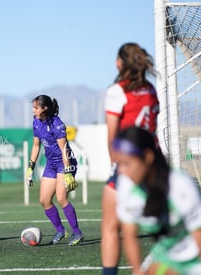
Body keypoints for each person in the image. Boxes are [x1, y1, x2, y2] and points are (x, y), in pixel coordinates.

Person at [101, 42, 159, 274]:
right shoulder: (151, 89)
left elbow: (112, 136)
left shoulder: (117, 91)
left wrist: (115, 165)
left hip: (130, 165)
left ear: (119, 63)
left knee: (111, 226)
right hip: (154, 162)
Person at [113, 127, 201, 275]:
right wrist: (137, 271)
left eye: (127, 163)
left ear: (147, 157)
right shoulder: (126, 185)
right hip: (166, 255)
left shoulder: (180, 186)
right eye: (119, 163)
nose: (121, 171)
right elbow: (129, 235)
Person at [26, 95, 83, 246]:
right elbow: (36, 145)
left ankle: (77, 232)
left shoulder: (57, 124)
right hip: (51, 164)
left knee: (61, 198)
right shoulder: (36, 122)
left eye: (36, 107)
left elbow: (64, 150)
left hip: (65, 163)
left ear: (44, 109)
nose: (33, 110)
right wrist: (30, 167)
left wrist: (69, 173)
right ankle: (60, 230)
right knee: (44, 200)